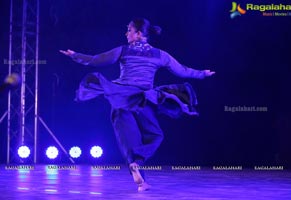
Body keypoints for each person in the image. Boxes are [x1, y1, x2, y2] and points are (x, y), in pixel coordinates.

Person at [60, 18, 215, 192]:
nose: (126, 33)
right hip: (144, 100)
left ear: (139, 34)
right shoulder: (159, 54)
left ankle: (137, 171)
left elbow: (97, 60)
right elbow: (182, 70)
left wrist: (75, 55)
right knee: (155, 135)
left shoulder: (124, 51)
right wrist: (202, 74)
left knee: (129, 141)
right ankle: (139, 171)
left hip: (122, 99)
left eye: (129, 30)